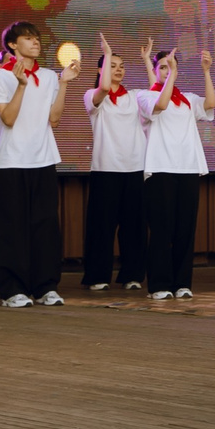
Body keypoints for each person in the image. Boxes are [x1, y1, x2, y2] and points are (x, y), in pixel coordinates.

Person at [0, 21, 76, 307]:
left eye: (37, 38)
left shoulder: (48, 76)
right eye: (28, 38)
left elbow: (55, 119)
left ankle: (46, 286)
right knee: (13, 228)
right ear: (12, 45)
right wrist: (21, 86)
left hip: (44, 159)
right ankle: (13, 290)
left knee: (46, 226)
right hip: (11, 162)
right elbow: (7, 120)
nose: (35, 42)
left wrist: (62, 84)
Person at [137, 45, 211, 299]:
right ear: (156, 71)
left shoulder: (188, 99)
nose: (168, 71)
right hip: (160, 169)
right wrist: (169, 78)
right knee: (161, 229)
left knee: (185, 229)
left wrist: (206, 72)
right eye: (163, 67)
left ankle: (182, 283)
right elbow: (161, 103)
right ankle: (159, 285)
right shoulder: (146, 96)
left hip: (188, 168)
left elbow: (210, 104)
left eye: (171, 66)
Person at [80, 37, 147, 295]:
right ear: (101, 70)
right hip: (105, 169)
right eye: (112, 65)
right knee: (102, 227)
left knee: (134, 227)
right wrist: (105, 54)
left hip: (134, 168)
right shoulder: (93, 95)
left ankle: (132, 274)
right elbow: (105, 88)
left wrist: (146, 61)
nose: (118, 69)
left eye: (121, 66)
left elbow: (156, 94)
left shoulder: (134, 97)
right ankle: (97, 275)